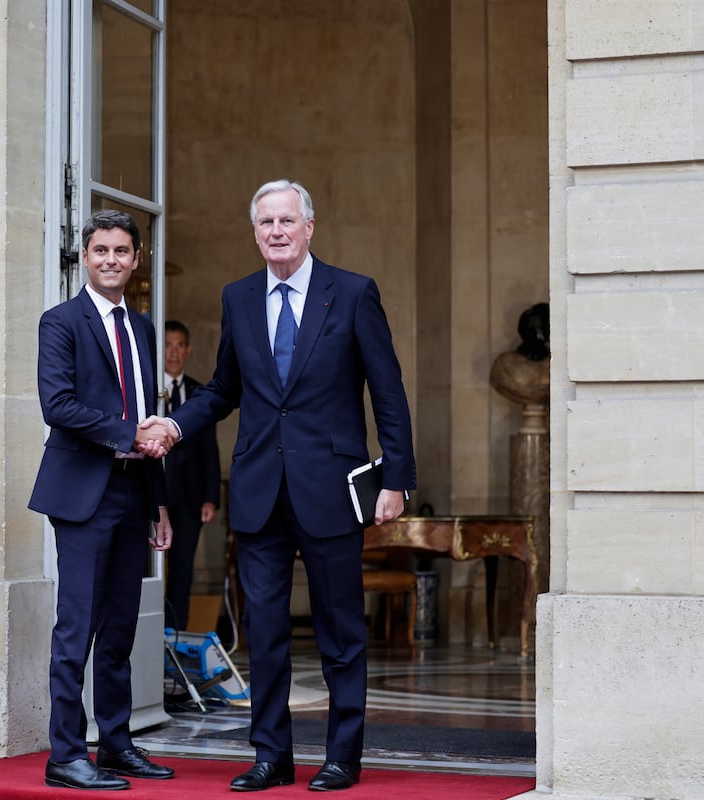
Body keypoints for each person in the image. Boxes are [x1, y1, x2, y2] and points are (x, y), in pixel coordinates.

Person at [145, 180, 416, 791]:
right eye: (265, 222)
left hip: (331, 489)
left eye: (286, 220)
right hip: (260, 489)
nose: (276, 231)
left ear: (310, 226)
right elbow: (222, 390)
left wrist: (396, 476)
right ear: (255, 232)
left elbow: (388, 391)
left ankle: (343, 756)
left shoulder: (351, 293)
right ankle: (272, 756)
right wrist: (173, 424)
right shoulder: (239, 298)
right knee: (264, 633)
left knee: (340, 632)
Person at [29, 209, 176, 791]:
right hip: (83, 493)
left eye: (121, 251)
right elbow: (57, 405)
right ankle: (66, 753)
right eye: (100, 251)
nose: (111, 259)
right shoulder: (59, 321)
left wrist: (157, 500)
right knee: (77, 631)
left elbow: (145, 408)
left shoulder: (141, 329)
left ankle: (115, 744)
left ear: (136, 260)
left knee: (119, 631)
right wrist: (129, 434)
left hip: (132, 491)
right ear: (84, 257)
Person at [161, 320, 220, 632]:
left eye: (178, 346)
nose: (173, 352)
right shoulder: (150, 388)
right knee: (148, 568)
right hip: (153, 493)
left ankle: (175, 637)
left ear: (188, 350)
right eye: (167, 345)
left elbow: (210, 448)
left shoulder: (200, 392)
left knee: (183, 571)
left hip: (190, 497)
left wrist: (211, 496)